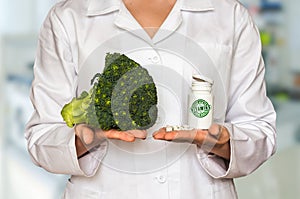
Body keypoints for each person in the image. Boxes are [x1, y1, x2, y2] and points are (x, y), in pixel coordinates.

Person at [25, 0, 276, 198]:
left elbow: (259, 129)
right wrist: (82, 140)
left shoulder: (230, 16)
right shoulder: (68, 17)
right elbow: (42, 136)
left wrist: (221, 141)